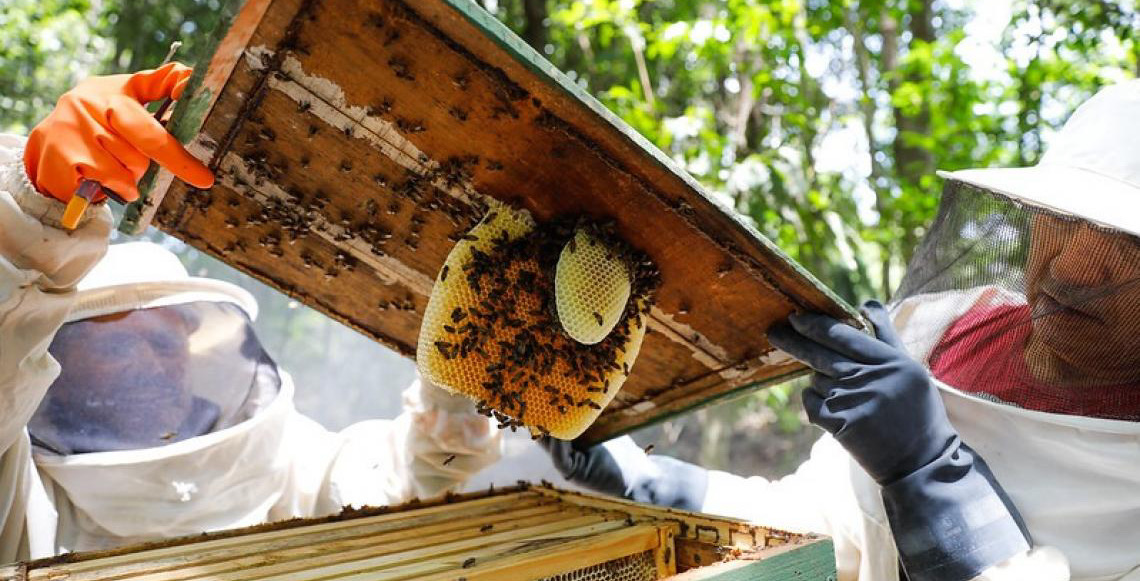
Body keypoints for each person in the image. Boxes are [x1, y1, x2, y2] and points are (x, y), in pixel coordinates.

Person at [544, 79, 1140, 581]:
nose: (1074, 268)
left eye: (1127, 248)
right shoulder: (947, 330)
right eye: (1066, 222)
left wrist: (930, 476)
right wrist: (648, 481)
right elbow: (824, 525)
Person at [0, 63, 501, 562]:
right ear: (57, 367)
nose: (157, 362)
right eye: (120, 343)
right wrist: (33, 222)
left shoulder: (283, 461)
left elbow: (418, 474)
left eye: (169, 340)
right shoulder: (27, 502)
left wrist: (454, 374)